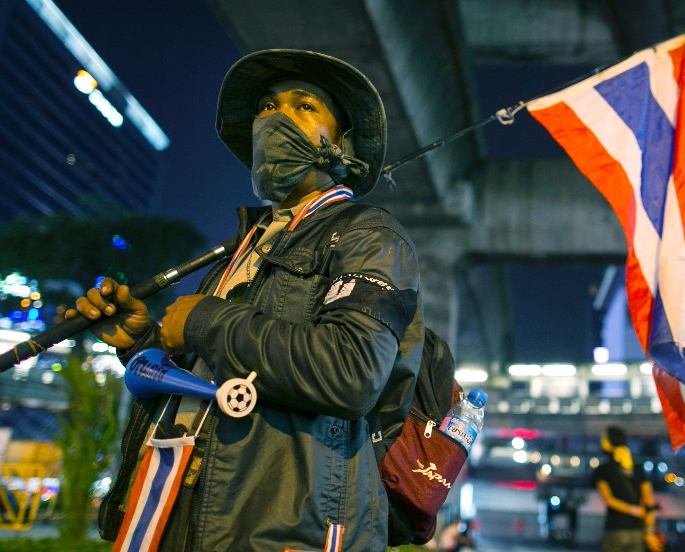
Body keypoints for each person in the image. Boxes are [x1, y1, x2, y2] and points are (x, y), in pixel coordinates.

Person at [67, 49, 424, 551]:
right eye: (266, 107)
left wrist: (206, 322)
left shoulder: (369, 235)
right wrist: (144, 341)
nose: (276, 118)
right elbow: (220, 371)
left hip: (284, 530)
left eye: (304, 107)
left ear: (342, 143)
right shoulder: (247, 244)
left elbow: (353, 371)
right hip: (181, 509)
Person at [592, 426, 661, 552]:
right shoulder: (638, 469)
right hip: (637, 531)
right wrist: (649, 531)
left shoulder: (602, 470)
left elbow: (609, 500)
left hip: (615, 529)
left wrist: (633, 510)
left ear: (608, 442)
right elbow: (649, 501)